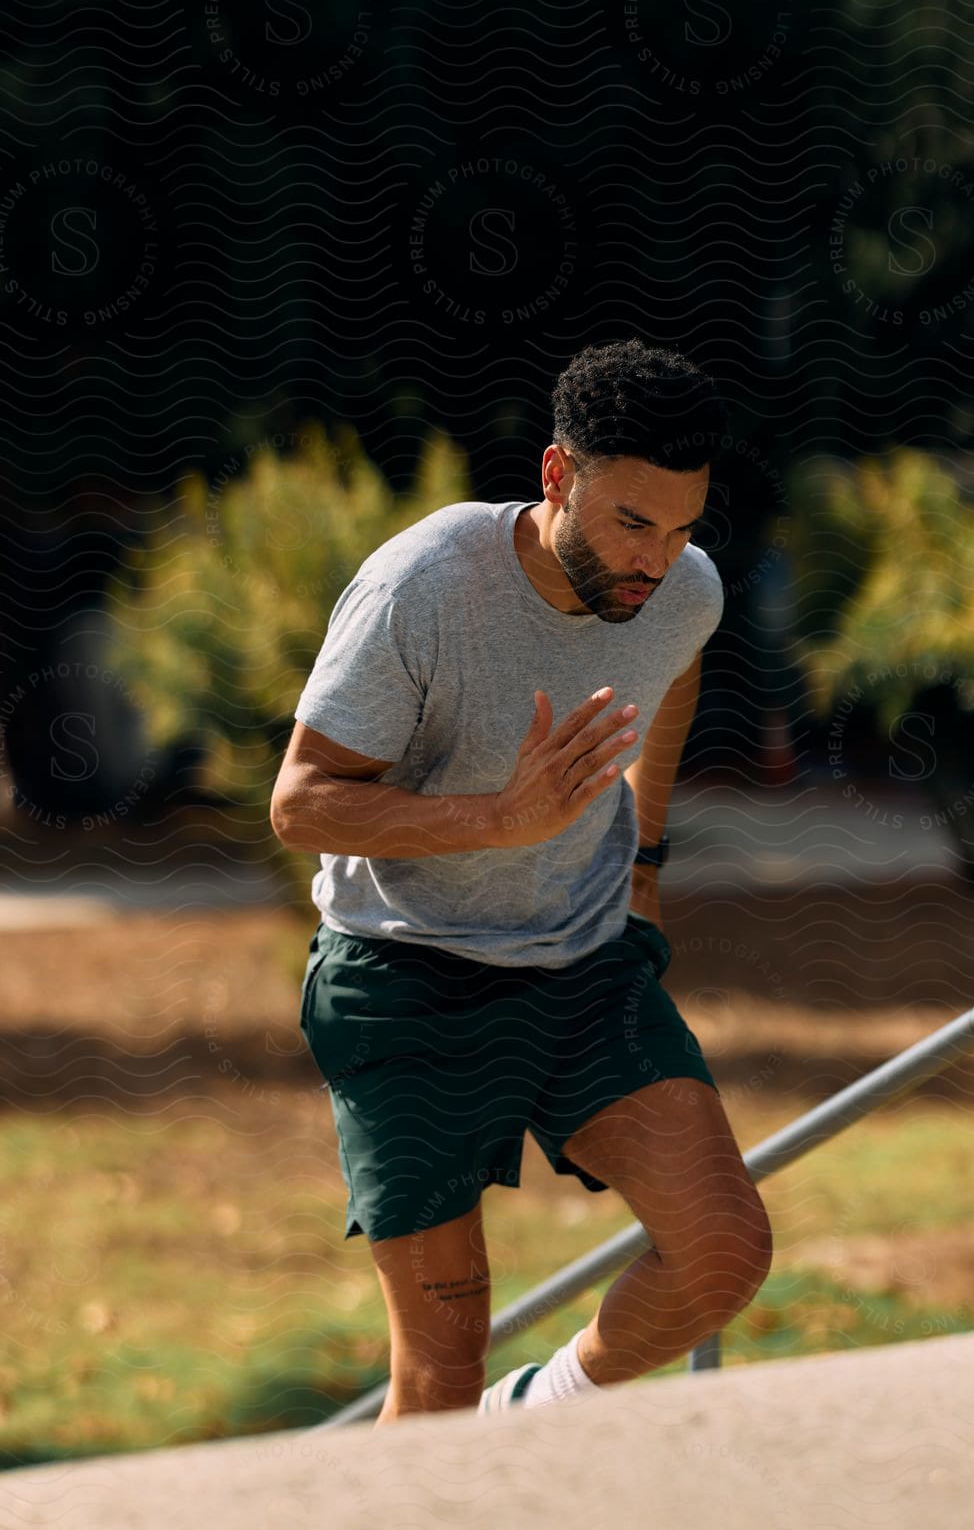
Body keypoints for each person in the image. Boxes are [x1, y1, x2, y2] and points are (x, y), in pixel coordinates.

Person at [270, 337, 773, 1420]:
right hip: (404, 979)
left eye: (682, 527)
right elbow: (300, 802)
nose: (654, 559)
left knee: (722, 1254)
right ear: (557, 476)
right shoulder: (425, 585)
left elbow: (670, 675)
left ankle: (531, 1428)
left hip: (584, 963)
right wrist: (501, 817)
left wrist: (642, 856)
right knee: (441, 1369)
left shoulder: (680, 593)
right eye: (631, 522)